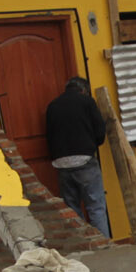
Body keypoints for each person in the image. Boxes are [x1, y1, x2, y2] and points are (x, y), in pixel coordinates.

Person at [43, 77, 110, 236]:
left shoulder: (53, 106)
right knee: (96, 207)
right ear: (84, 90)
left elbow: (49, 136)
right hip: (85, 161)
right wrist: (92, 145)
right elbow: (100, 132)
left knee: (72, 211)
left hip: (62, 164)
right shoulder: (87, 102)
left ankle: (83, 245)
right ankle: (105, 247)